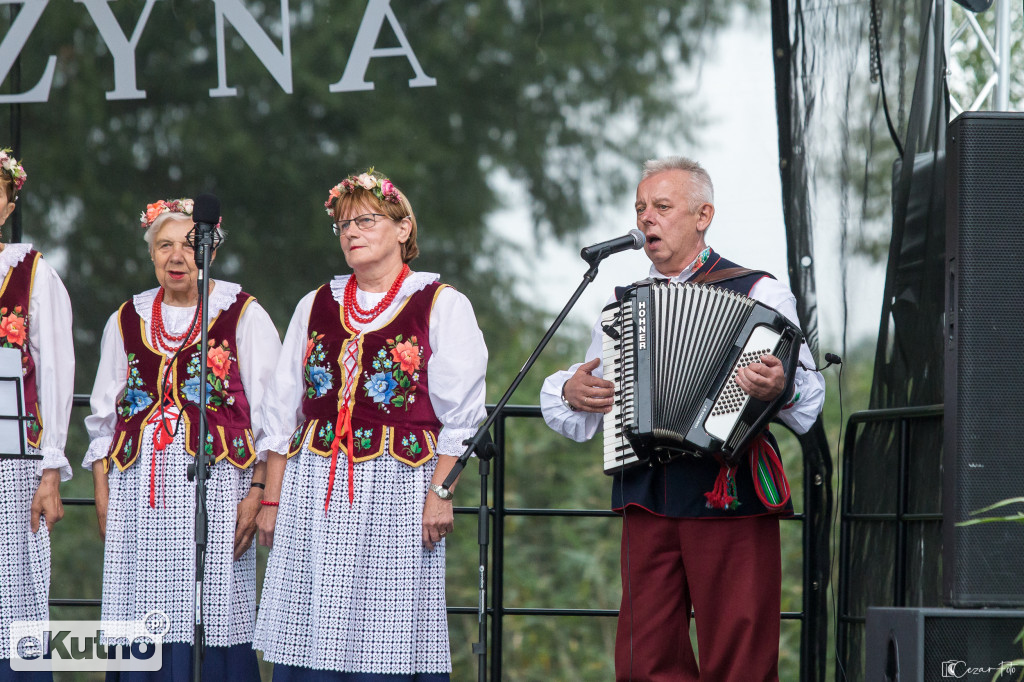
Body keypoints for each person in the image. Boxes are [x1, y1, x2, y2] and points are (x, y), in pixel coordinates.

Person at [540, 157, 825, 682]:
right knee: (644, 658)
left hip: (730, 490)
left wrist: (779, 387)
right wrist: (569, 389)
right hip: (647, 491)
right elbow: (579, 401)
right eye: (641, 208)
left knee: (738, 654)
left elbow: (810, 396)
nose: (647, 219)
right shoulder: (621, 304)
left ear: (703, 215)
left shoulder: (760, 291)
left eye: (662, 207)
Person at [253, 169, 487, 680]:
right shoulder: (315, 304)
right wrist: (271, 499)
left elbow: (463, 414)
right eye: (341, 225)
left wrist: (441, 492)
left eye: (365, 220)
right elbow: (281, 412)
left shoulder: (441, 304)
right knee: (310, 621)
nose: (351, 233)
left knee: (387, 625)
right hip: (314, 484)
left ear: (403, 229)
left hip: (397, 487)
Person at [83, 198, 280, 680]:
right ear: (151, 254)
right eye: (164, 245)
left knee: (213, 610)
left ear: (212, 250)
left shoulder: (243, 314)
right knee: (139, 612)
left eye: (190, 245)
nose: (177, 257)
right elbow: (104, 415)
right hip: (138, 492)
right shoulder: (126, 317)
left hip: (217, 488)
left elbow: (275, 417)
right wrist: (102, 487)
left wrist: (258, 491)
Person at [0, 149, 74, 682]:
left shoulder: (33, 274)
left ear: (8, 206)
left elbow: (56, 372)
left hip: (13, 461)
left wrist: (51, 470)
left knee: (15, 595)